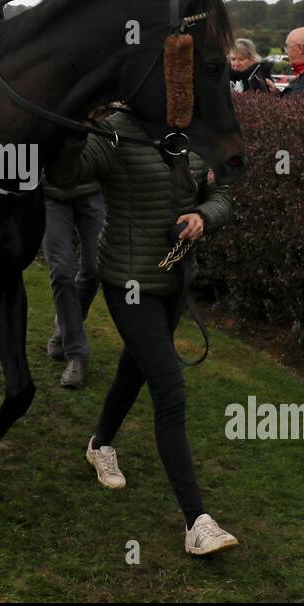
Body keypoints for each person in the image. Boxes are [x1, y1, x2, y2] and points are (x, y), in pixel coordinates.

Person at [47, 107, 240, 557]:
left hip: (174, 278)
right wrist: (73, 129)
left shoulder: (191, 129)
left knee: (135, 368)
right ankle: (197, 522)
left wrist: (203, 218)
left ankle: (100, 444)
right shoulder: (114, 130)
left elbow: (221, 191)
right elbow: (64, 174)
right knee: (169, 391)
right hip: (128, 283)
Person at [42, 160, 104, 390]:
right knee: (61, 272)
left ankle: (64, 327)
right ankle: (77, 353)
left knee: (95, 268)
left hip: (92, 191)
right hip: (51, 196)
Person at [279, 27, 304, 97]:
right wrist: (275, 92)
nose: (286, 52)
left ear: (300, 48)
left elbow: (293, 104)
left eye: (288, 47)